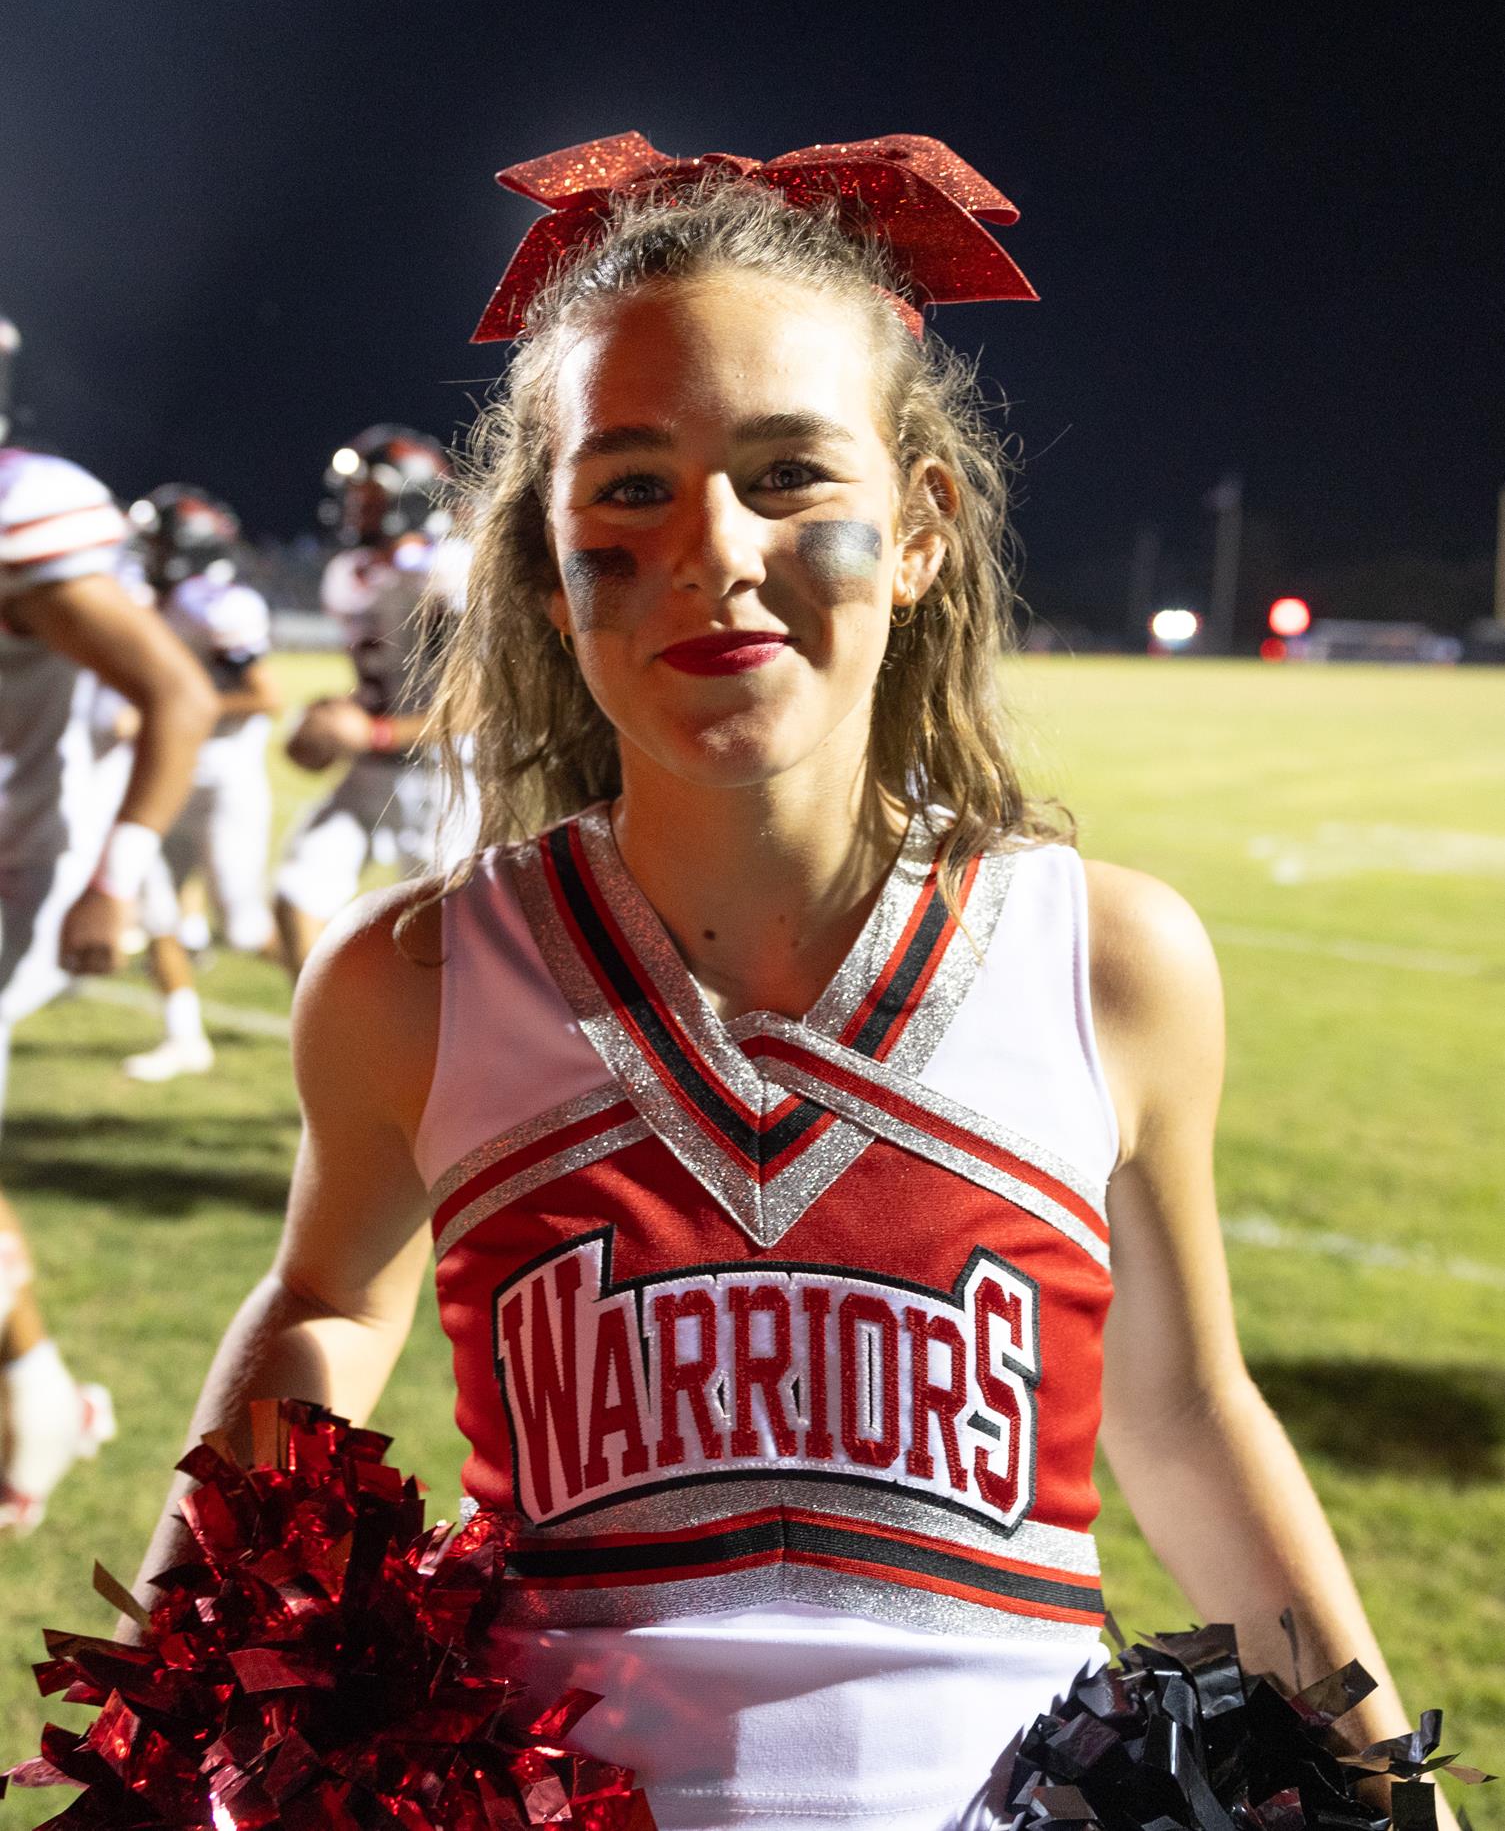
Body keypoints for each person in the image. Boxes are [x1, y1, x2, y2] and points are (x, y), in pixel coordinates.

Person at [127, 139, 1442, 1829]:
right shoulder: (418, 976)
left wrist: (1384, 1785)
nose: (714, 550)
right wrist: (178, 1732)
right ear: (542, 557)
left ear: (921, 530)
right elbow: (323, 1306)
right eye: (629, 488)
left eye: (789, 474)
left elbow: (1185, 1414)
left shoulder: (1105, 960)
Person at [0, 318, 217, 1531]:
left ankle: (39, 1402)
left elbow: (173, 691)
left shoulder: (24, 514)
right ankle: (39, 1396)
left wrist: (115, 877)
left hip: (15, 871)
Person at [271, 425, 468, 975]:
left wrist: (374, 732)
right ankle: (321, 1044)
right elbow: (383, 680)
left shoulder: (452, 571)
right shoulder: (351, 575)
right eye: (355, 495)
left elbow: (487, 704)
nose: (357, 508)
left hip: (448, 778)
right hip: (373, 768)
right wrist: (335, 711)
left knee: (452, 951)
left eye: (372, 496)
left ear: (412, 498)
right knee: (296, 891)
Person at [115, 484, 281, 1082]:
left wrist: (175, 709)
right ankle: (184, 1037)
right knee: (154, 906)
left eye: (158, 543)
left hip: (221, 780)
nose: (148, 555)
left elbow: (266, 697)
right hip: (165, 771)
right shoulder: (147, 599)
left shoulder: (219, 604)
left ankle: (346, 1009)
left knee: (243, 928)